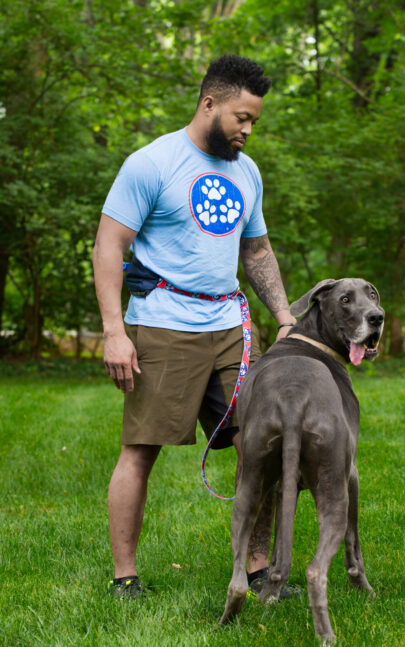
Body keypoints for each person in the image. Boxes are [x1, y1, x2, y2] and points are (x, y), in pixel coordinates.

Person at [92, 54, 298, 599]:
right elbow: (109, 245)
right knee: (142, 448)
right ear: (209, 104)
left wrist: (283, 316)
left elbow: (255, 249)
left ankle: (259, 570)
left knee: (263, 443)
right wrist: (114, 329)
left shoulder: (246, 172)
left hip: (231, 323)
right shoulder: (152, 163)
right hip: (164, 326)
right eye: (241, 118)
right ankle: (125, 577)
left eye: (254, 120)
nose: (248, 131)